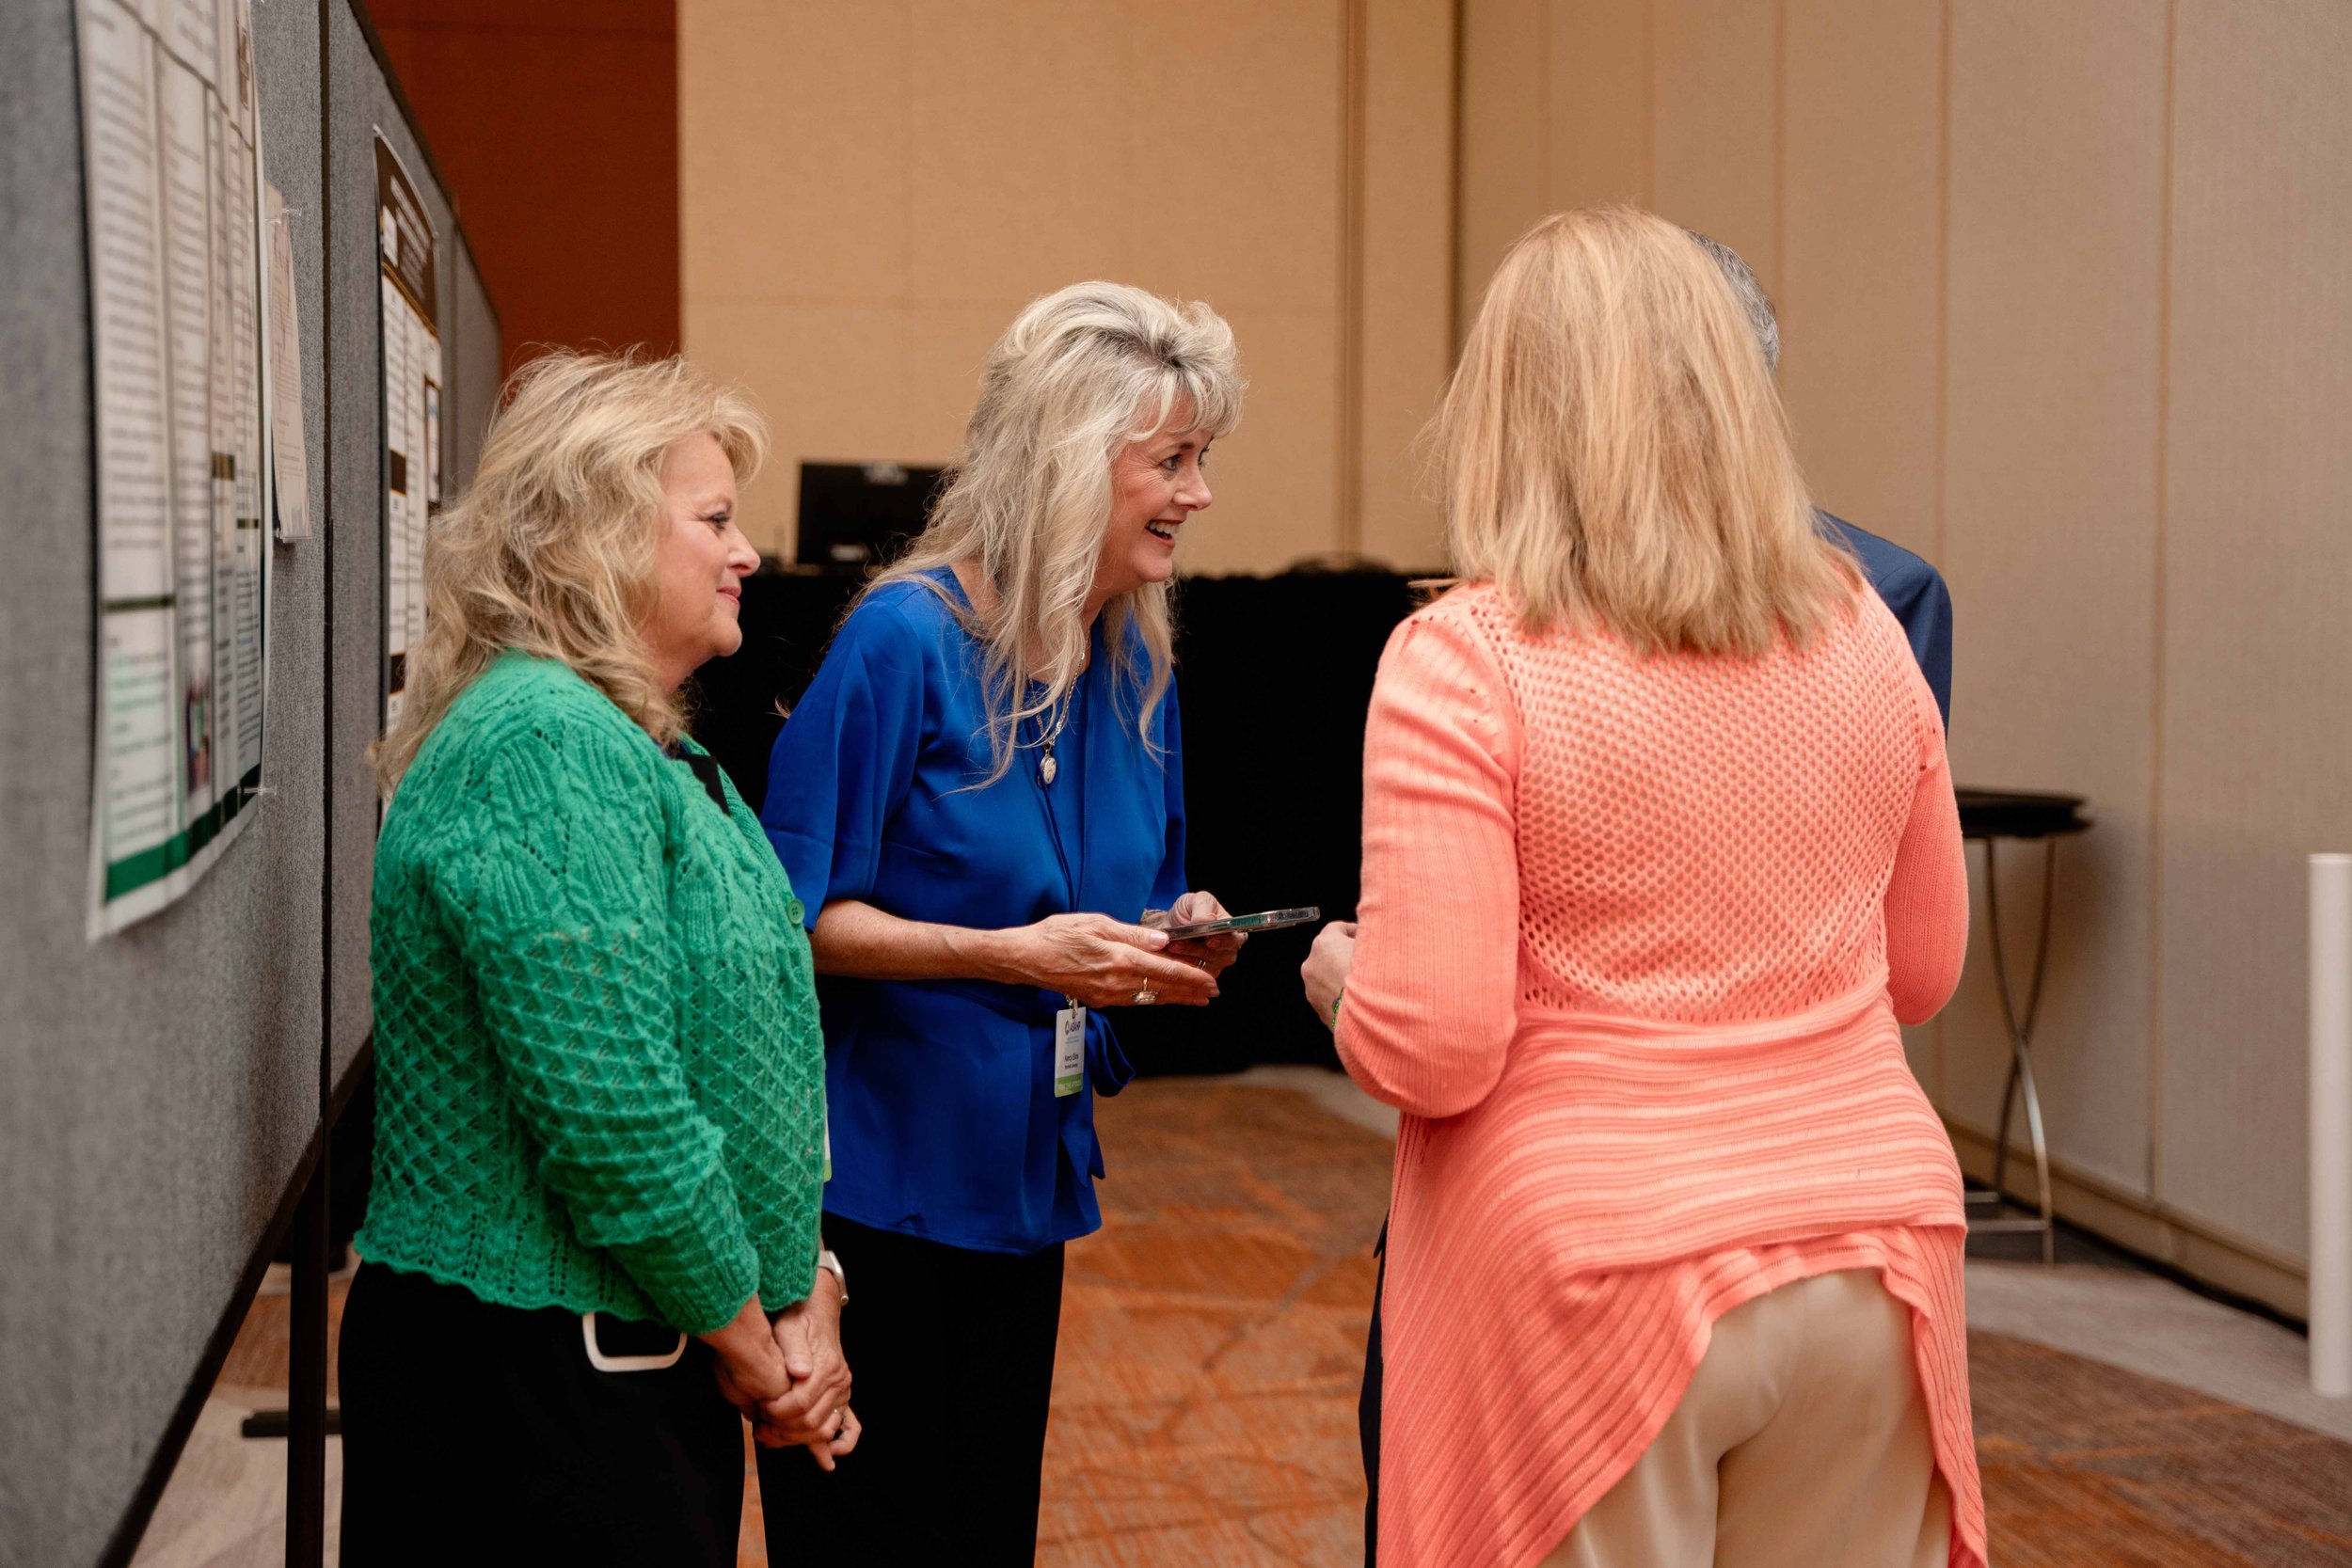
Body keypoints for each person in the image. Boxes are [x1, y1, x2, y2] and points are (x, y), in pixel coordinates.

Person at [1304, 208, 1981, 1568]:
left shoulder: (1468, 656)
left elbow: (1435, 1049)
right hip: (1873, 1250)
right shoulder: (1862, 626)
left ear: (1512, 407)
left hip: (1592, 1271)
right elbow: (1922, 974)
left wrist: (1342, 980)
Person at [755, 280, 1248, 1565]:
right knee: (876, 1538)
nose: (1200, 494)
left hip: (1022, 1182)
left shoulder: (1134, 664)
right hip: (869, 1200)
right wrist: (1009, 955)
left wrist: (1174, 932)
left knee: (986, 1535)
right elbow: (783, 926)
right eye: (1175, 461)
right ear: (1075, 465)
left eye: (1205, 459)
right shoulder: (903, 642)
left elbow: (1134, 893)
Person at [341, 352, 851, 1567]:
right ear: (599, 536)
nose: (747, 555)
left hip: (638, 1355)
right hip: (538, 1384)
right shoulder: (543, 742)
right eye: (715, 519)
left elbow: (748, 1062)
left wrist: (807, 1288)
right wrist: (755, 1344)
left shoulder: (640, 741)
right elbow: (614, 1109)